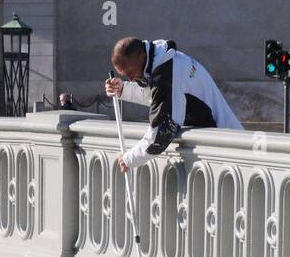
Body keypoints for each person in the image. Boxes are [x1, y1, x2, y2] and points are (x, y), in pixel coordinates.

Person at [104, 36, 243, 172]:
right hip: (224, 141)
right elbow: (157, 97)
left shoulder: (167, 75)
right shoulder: (163, 61)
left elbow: (163, 132)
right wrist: (122, 90)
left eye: (130, 71)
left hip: (227, 149)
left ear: (141, 56)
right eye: (124, 75)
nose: (130, 78)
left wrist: (129, 159)